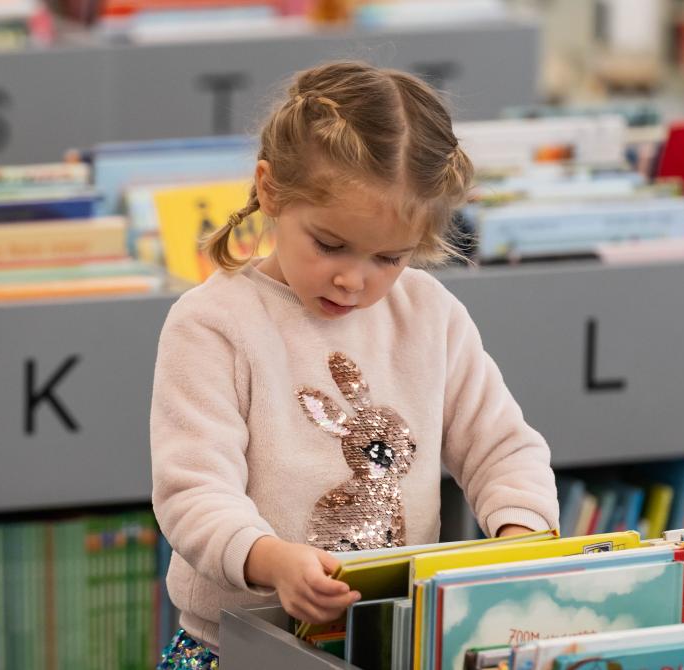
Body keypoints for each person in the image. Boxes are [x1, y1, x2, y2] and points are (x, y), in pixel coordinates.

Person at [150, 60, 559, 669]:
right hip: (233, 647)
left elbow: (504, 449)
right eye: (330, 245)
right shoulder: (212, 325)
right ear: (270, 189)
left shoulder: (429, 313)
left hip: (392, 645)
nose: (353, 279)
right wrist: (271, 559)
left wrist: (518, 537)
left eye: (389, 258)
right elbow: (192, 493)